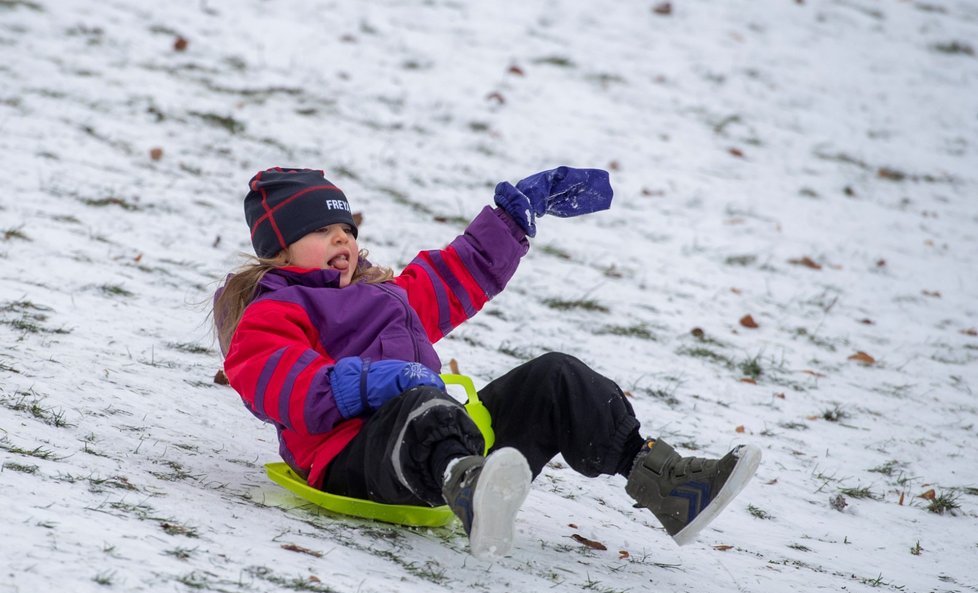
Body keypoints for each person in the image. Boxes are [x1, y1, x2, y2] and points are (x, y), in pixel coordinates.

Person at [214, 166, 761, 559]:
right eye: (321, 230)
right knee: (420, 401)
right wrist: (373, 383)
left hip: (431, 435)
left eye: (348, 229)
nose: (342, 237)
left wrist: (514, 217)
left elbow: (458, 272)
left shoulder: (389, 296)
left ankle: (666, 484)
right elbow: (282, 386)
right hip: (352, 461)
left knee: (555, 377)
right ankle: (469, 485)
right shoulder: (274, 310)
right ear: (279, 250)